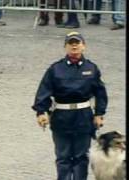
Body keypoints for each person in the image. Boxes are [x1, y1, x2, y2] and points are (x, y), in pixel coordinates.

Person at [32, 31, 108, 180]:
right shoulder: (55, 69)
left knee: (81, 157)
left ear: (84, 46)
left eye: (77, 43)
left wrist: (99, 114)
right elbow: (44, 91)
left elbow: (100, 93)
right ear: (65, 47)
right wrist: (41, 112)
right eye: (70, 44)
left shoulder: (92, 68)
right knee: (63, 157)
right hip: (62, 117)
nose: (74, 46)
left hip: (83, 117)